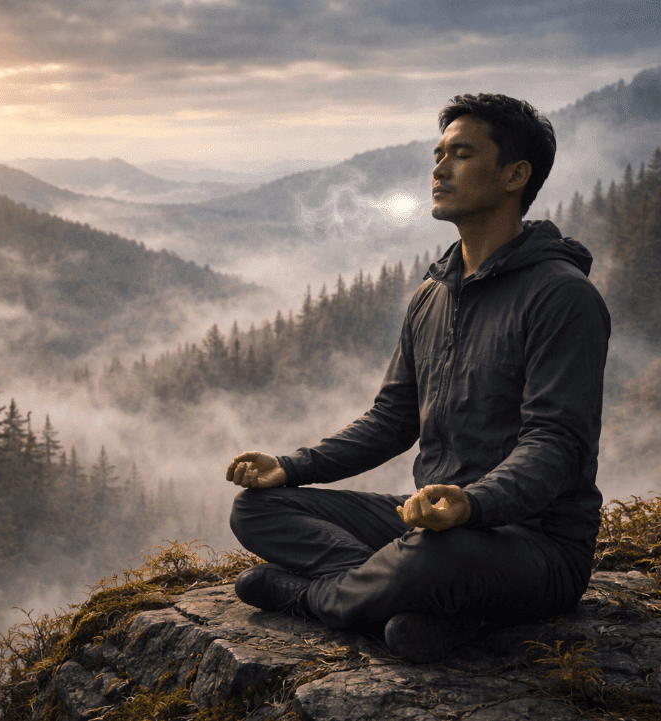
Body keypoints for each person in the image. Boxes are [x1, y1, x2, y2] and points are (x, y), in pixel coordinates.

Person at [224, 93, 610, 663]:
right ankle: (418, 610)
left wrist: (472, 504)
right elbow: (391, 421)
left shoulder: (562, 296)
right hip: (429, 521)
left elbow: (556, 444)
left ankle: (311, 598)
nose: (438, 168)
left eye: (460, 153)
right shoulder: (432, 295)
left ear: (515, 175)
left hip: (533, 543)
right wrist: (292, 466)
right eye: (437, 153)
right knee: (257, 510)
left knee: (435, 559)